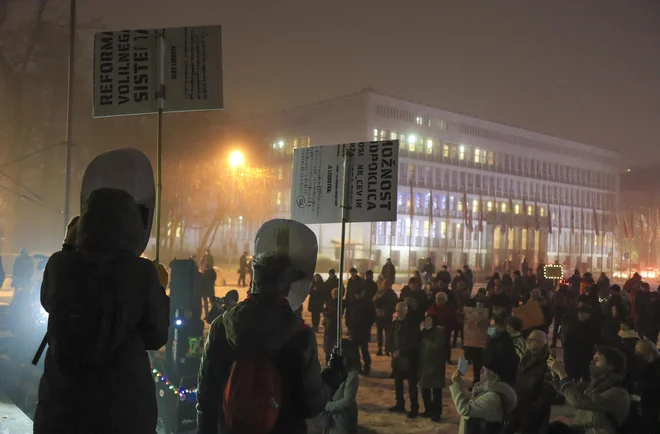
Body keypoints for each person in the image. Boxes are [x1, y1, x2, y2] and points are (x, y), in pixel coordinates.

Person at [34, 189, 170, 434]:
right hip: (123, 412)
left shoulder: (59, 265)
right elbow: (156, 336)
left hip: (61, 409)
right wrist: (159, 289)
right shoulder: (141, 273)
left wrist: (68, 246)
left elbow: (49, 302)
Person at [197, 252, 327, 434]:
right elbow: (311, 404)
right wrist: (331, 379)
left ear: (252, 283)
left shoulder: (221, 326)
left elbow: (205, 397)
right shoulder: (301, 335)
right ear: (286, 288)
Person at [547, 346, 630, 434]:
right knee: (554, 428)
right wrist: (555, 374)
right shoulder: (597, 384)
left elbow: (579, 401)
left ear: (611, 366)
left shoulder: (617, 393)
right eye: (593, 358)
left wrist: (561, 372)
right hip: (585, 430)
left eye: (597, 359)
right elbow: (566, 391)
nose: (592, 362)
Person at [449, 358, 518, 434]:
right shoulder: (491, 390)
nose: (480, 371)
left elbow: (464, 408)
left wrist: (456, 384)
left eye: (484, 371)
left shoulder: (492, 398)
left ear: (494, 376)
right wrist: (460, 383)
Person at [512, 330, 556, 434]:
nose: (528, 341)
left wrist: (535, 408)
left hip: (534, 411)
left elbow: (549, 391)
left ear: (541, 344)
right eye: (528, 339)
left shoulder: (548, 362)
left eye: (532, 340)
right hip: (520, 404)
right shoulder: (527, 355)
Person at [387, 302, 421, 419]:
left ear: (406, 311)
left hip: (409, 359)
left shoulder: (412, 324)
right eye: (398, 310)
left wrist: (401, 352)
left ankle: (414, 408)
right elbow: (390, 338)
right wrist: (392, 350)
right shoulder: (395, 323)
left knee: (412, 384)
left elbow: (415, 343)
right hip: (397, 359)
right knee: (398, 382)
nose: (399, 312)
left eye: (402, 310)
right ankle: (400, 404)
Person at [320, 340, 360, 434]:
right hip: (330, 416)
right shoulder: (331, 372)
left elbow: (347, 399)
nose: (333, 354)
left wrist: (328, 407)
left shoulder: (352, 374)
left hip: (342, 415)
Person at [563, 305, 603, 383]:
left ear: (588, 315)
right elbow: (567, 343)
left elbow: (597, 340)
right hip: (573, 357)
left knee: (586, 379)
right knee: (572, 377)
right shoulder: (572, 326)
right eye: (580, 313)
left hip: (587, 356)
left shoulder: (593, 326)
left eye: (584, 313)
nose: (581, 315)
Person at [418, 315, 447, 422]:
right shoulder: (423, 332)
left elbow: (439, 346)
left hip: (435, 364)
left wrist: (427, 341)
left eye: (429, 320)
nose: (427, 322)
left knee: (436, 389)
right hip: (424, 363)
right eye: (425, 320)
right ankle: (428, 409)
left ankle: (436, 412)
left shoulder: (438, 332)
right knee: (424, 387)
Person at [483, 314, 519, 386]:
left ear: (501, 327)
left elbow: (501, 361)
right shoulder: (492, 339)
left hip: (501, 379)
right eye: (490, 326)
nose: (490, 329)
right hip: (491, 377)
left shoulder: (504, 341)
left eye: (493, 326)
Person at [633, 340, 660, 433]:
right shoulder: (647, 367)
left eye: (641, 356)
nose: (638, 359)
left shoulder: (654, 370)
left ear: (653, 353)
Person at [348, 288, 376, 375]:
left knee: (364, 350)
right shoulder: (352, 303)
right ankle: (358, 366)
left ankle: (367, 366)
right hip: (354, 330)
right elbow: (348, 316)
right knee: (355, 350)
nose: (358, 296)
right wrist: (349, 326)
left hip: (364, 330)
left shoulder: (368, 303)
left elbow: (373, 316)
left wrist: (367, 325)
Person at [373, 279, 398, 357]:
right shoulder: (380, 292)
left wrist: (391, 311)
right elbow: (374, 301)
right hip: (380, 315)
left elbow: (395, 304)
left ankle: (386, 348)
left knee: (387, 333)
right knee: (380, 333)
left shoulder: (392, 294)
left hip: (387, 315)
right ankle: (380, 348)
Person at [552, 280, 575, 348]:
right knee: (563, 328)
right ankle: (561, 342)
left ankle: (556, 342)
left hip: (561, 311)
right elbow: (572, 303)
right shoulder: (569, 294)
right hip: (563, 311)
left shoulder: (557, 293)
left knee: (559, 327)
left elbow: (553, 303)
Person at [324, 288, 341, 364]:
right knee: (329, 343)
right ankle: (328, 358)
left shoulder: (340, 303)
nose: (334, 295)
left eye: (335, 294)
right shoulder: (329, 302)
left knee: (333, 343)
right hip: (329, 325)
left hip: (334, 324)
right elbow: (325, 312)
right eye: (333, 294)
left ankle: (333, 358)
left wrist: (329, 312)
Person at [345, 268, 364, 332]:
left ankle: (353, 331)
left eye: (353, 273)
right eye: (351, 273)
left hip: (356, 302)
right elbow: (348, 290)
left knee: (354, 317)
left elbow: (362, 290)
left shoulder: (360, 281)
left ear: (356, 273)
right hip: (349, 301)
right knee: (348, 317)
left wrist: (359, 296)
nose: (352, 274)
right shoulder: (350, 280)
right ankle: (349, 330)